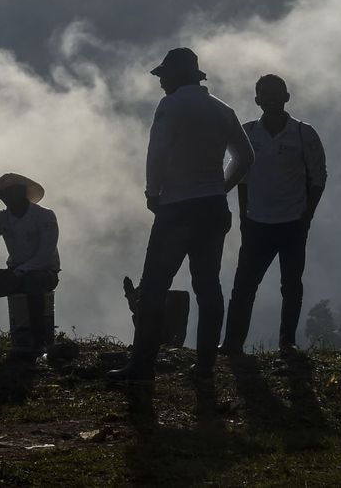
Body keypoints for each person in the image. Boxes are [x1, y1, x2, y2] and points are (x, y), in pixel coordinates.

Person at [108, 48, 254, 384]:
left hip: (177, 206)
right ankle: (204, 367)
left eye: (164, 77)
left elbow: (156, 152)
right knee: (208, 286)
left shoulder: (171, 106)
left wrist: (152, 192)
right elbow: (245, 156)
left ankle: (141, 366)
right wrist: (221, 186)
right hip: (213, 207)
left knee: (156, 286)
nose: (160, 83)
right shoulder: (223, 110)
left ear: (176, 77)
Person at [221, 74, 326, 357]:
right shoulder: (248, 133)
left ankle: (286, 342)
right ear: (257, 100)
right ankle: (232, 343)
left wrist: (307, 217)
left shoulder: (304, 133)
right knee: (244, 286)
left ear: (286, 97)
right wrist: (244, 217)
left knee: (290, 285)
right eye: (264, 94)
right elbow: (240, 177)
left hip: (293, 222)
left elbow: (318, 177)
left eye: (275, 93)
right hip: (257, 223)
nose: (270, 99)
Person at [0, 173, 60, 359]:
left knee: (33, 281)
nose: (9, 197)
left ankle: (38, 342)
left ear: (23, 192)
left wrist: (19, 272)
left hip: (44, 273)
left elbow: (44, 255)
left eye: (13, 192)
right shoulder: (1, 218)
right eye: (5, 194)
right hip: (15, 274)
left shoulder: (45, 216)